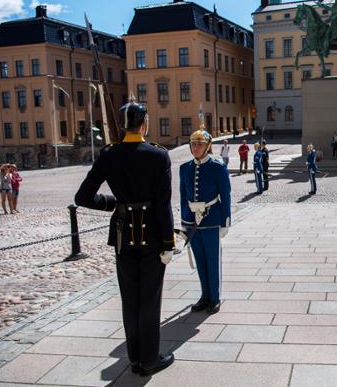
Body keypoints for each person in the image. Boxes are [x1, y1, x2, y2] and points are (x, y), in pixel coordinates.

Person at [74, 102, 175, 377]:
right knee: (150, 300)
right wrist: (169, 243)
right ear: (144, 124)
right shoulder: (158, 156)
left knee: (130, 299)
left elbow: (82, 197)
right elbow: (163, 205)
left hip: (123, 236)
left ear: (122, 126)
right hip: (153, 237)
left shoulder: (109, 155)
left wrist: (112, 203)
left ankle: (135, 358)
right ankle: (150, 358)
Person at [180, 126, 231, 315]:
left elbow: (225, 196)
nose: (196, 148)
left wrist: (225, 222)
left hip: (211, 219)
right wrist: (184, 222)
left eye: (200, 144)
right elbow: (183, 195)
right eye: (193, 144)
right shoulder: (184, 168)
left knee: (212, 260)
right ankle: (204, 295)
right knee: (200, 261)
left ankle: (215, 298)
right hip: (192, 222)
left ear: (208, 146)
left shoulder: (218, 167)